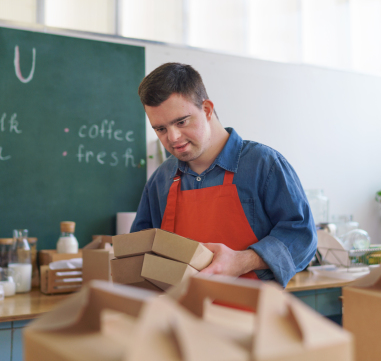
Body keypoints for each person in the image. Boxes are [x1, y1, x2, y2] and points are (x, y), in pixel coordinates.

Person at [131, 62, 317, 287]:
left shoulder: (263, 165)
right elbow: (139, 252)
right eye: (160, 129)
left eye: (181, 122)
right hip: (181, 318)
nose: (173, 137)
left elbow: (302, 238)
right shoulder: (161, 179)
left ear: (207, 110)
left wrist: (243, 261)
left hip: (252, 317)